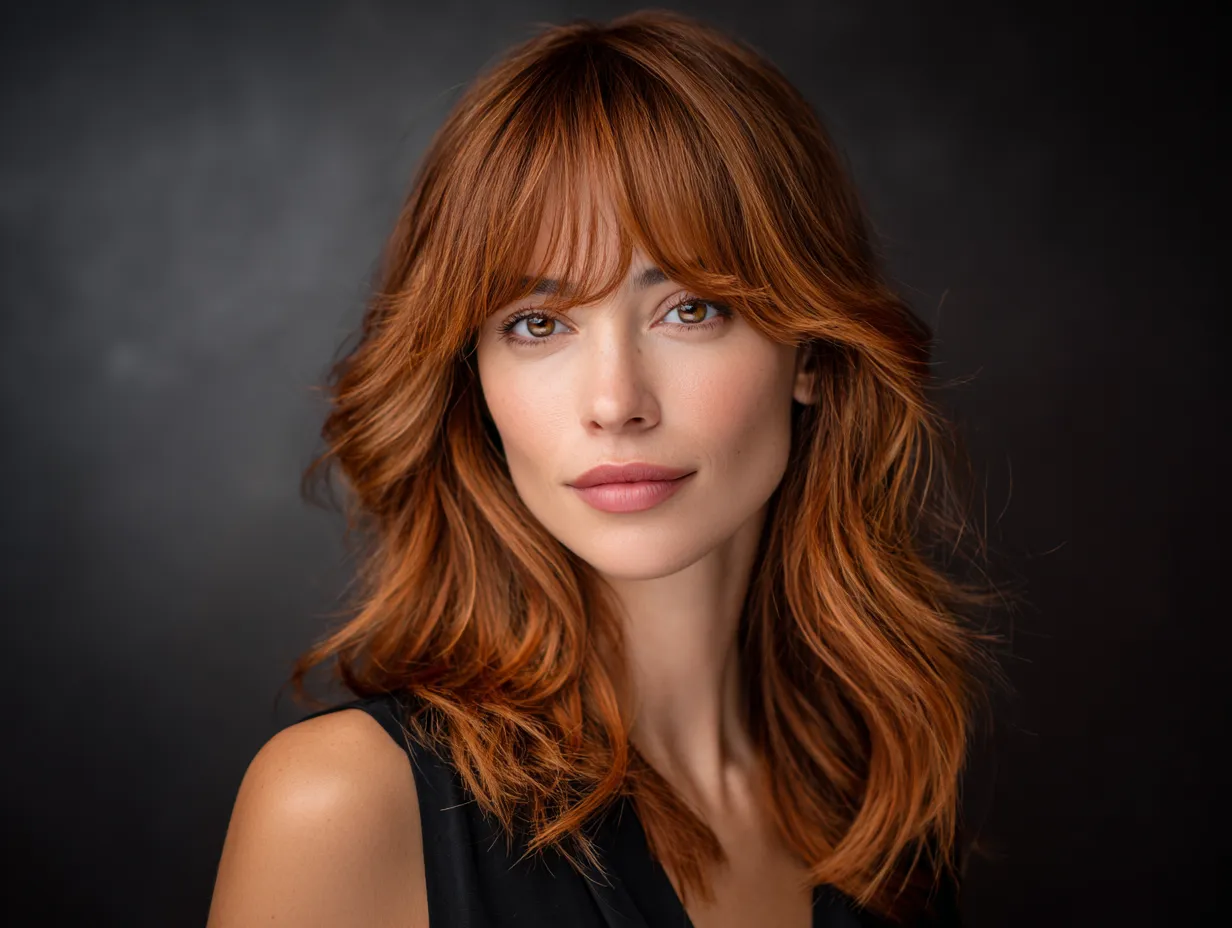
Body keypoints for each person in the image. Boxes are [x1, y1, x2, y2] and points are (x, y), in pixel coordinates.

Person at [207, 9, 997, 927]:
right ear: (475, 380)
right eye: (538, 325)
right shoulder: (342, 805)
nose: (616, 401)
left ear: (813, 355)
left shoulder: (879, 803)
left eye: (691, 309)